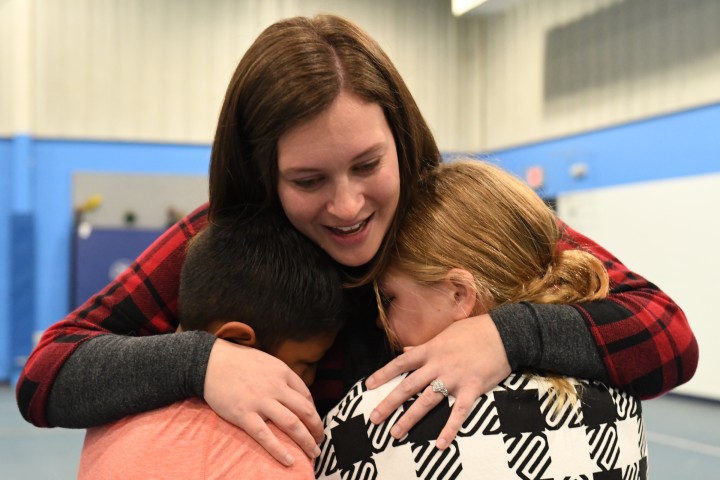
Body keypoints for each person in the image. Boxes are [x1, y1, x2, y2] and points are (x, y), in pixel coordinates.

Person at [17, 14, 696, 468]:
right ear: (264, 175)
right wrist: (201, 362)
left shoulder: (459, 214)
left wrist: (506, 336)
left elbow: (666, 333)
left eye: (368, 166)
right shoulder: (229, 242)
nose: (347, 206)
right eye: (308, 179)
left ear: (400, 141)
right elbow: (48, 372)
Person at [316, 160, 647, 479]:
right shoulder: (621, 402)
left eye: (389, 300)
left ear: (459, 294)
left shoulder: (370, 421)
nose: (379, 322)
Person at [79, 213, 342, 479]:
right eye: (308, 364)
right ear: (237, 340)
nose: (311, 380)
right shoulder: (275, 450)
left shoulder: (111, 411)